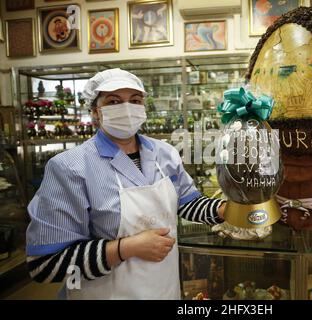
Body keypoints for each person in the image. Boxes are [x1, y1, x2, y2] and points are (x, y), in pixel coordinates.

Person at [26, 68, 226, 300]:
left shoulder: (165, 153)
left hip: (164, 290)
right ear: (95, 112)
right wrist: (126, 248)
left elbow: (187, 204)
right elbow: (45, 265)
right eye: (113, 101)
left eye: (135, 100)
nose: (127, 109)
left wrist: (227, 210)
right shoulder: (69, 167)